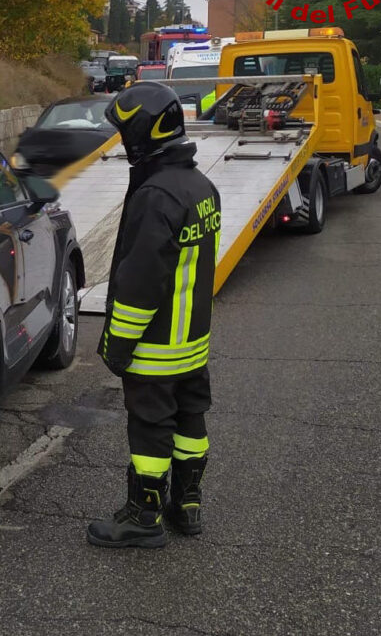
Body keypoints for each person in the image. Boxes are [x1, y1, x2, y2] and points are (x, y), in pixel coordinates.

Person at [87, 81, 221, 550]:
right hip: (193, 344)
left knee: (150, 429)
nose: (122, 142)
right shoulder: (202, 187)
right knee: (191, 420)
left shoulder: (156, 196)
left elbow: (141, 283)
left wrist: (117, 345)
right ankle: (187, 504)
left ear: (143, 134)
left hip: (154, 347)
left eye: (126, 133)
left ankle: (144, 516)